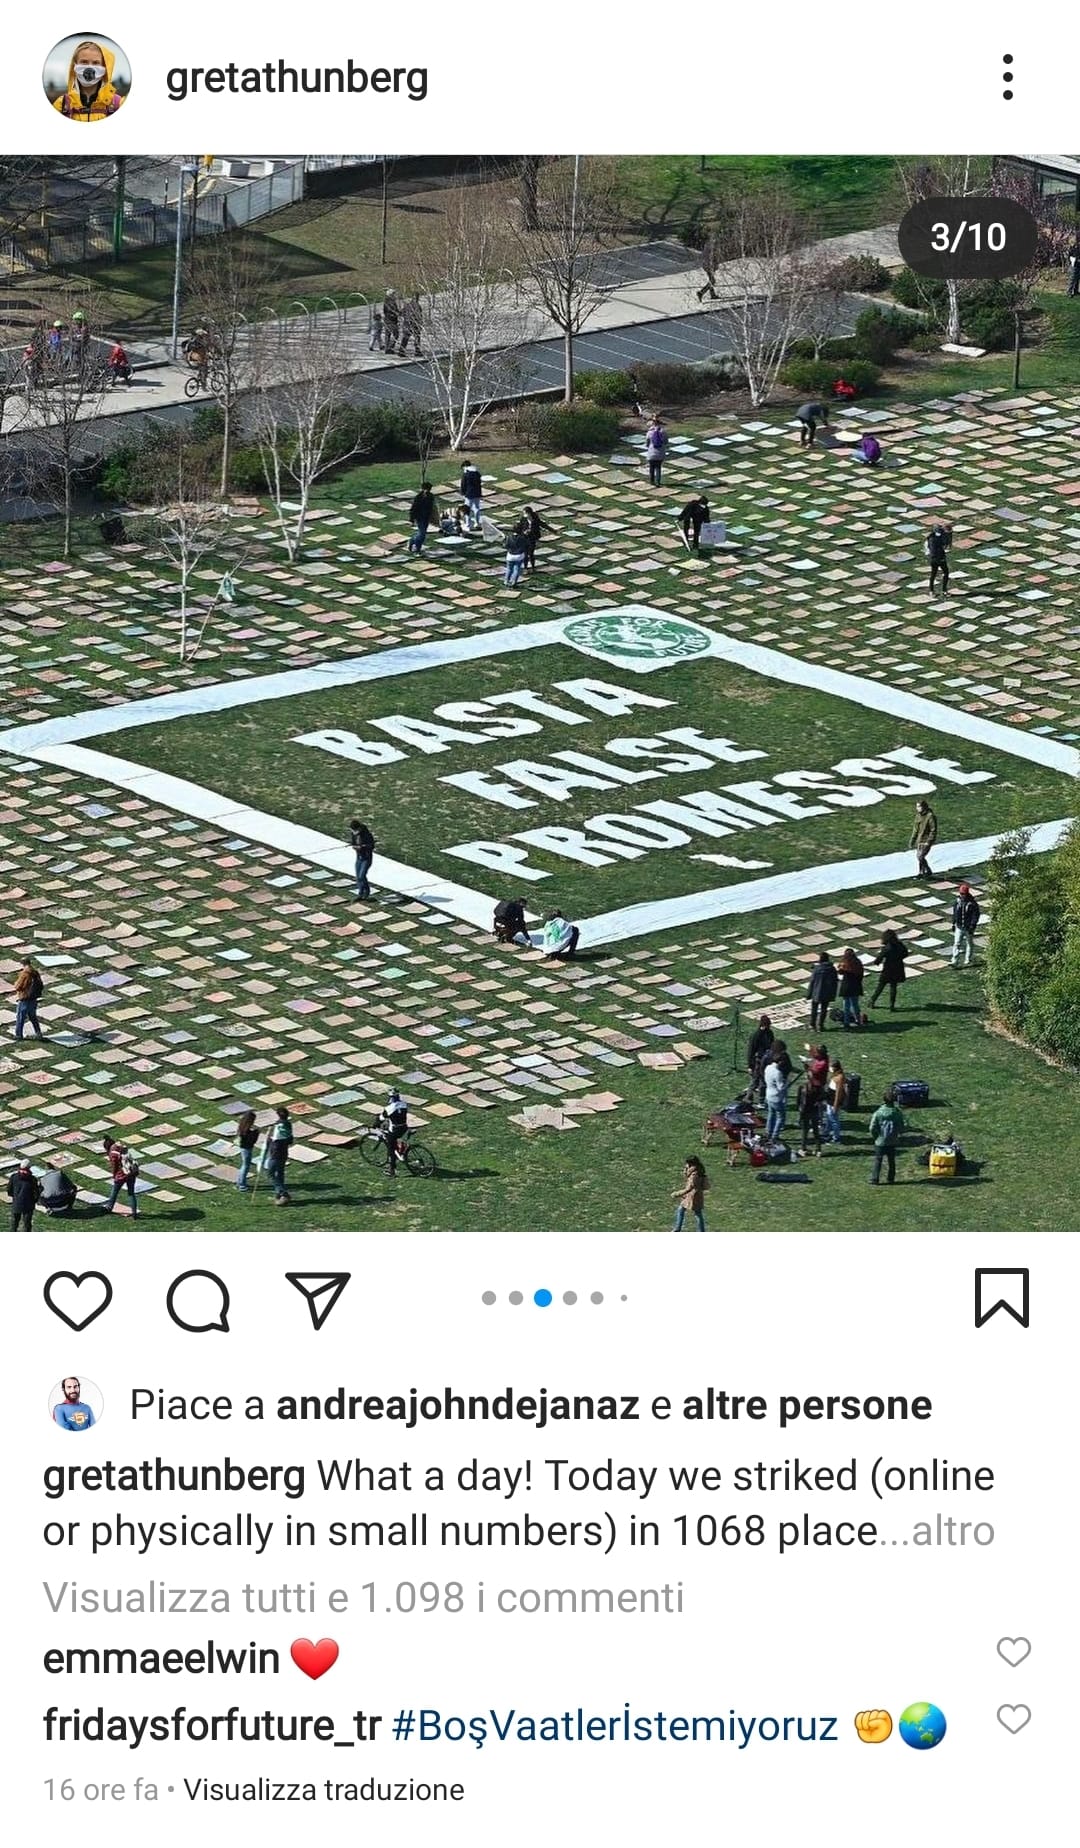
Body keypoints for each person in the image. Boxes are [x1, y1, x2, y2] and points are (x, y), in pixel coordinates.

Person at [52, 40, 126, 121]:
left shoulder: (119, 104)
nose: (89, 67)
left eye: (96, 63)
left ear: (105, 68)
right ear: (74, 66)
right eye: (84, 62)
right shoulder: (61, 105)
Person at [868, 1086, 906, 1185]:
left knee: (878, 1160)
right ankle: (891, 1178)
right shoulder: (897, 1113)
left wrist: (875, 1136)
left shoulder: (878, 1113)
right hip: (892, 1140)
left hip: (880, 1140)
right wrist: (898, 1134)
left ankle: (875, 1179)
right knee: (891, 1161)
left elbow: (872, 1127)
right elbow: (901, 1126)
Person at [870, 929, 909, 1011]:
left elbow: (878, 960)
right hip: (898, 967)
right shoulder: (899, 944)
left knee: (880, 986)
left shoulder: (887, 948)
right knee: (893, 987)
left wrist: (876, 962)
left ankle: (872, 1001)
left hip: (888, 969)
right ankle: (892, 1005)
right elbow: (906, 953)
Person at [102, 1135, 139, 1217]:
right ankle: (134, 1212)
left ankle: (109, 1207)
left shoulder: (112, 1153)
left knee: (115, 1191)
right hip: (131, 1172)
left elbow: (115, 1165)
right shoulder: (120, 1147)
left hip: (121, 1175)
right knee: (131, 1193)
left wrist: (114, 1175)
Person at [264, 1104, 294, 1204]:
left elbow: (273, 1140)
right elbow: (290, 1140)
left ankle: (284, 1193)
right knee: (280, 1173)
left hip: (275, 1152)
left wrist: (269, 1137)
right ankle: (278, 1194)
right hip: (284, 1152)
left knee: (271, 1173)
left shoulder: (278, 1126)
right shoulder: (288, 1125)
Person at [672, 1155, 709, 1233]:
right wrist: (686, 1170)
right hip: (695, 1195)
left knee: (697, 1214)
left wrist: (677, 1194)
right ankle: (678, 1228)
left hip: (693, 1196)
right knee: (682, 1210)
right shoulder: (699, 1170)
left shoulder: (694, 1175)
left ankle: (678, 1229)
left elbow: (689, 1188)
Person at [379, 1088, 410, 1175]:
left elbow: (381, 1118)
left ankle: (391, 1170)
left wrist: (376, 1124)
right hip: (404, 1127)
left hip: (395, 1130)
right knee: (399, 1139)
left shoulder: (389, 1108)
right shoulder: (404, 1104)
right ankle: (402, 1151)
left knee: (391, 1149)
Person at [951, 881, 981, 967]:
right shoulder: (957, 901)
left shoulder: (972, 903)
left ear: (967, 894)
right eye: (960, 893)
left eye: (963, 894)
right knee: (956, 943)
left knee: (969, 943)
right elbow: (955, 913)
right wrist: (953, 923)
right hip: (959, 926)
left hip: (968, 928)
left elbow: (976, 915)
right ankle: (954, 960)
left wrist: (972, 925)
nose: (961, 895)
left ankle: (968, 959)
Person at [807, 950, 839, 1031]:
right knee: (823, 1010)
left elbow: (812, 981)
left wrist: (809, 993)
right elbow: (835, 981)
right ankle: (821, 1025)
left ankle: (812, 1024)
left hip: (816, 992)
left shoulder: (817, 969)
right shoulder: (832, 969)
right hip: (827, 993)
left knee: (814, 1009)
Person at [8, 1159, 42, 1232]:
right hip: (28, 1205)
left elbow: (9, 1190)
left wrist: (15, 1197)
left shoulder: (14, 1177)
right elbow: (36, 1193)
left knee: (14, 1223)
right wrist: (34, 1201)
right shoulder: (32, 1179)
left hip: (16, 1203)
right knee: (27, 1224)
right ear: (29, 1168)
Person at [13, 959, 45, 1039]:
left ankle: (18, 1035)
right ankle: (38, 1033)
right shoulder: (35, 972)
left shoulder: (25, 974)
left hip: (25, 998)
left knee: (20, 1017)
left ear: (22, 964)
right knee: (33, 1017)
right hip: (33, 998)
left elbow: (18, 986)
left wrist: (15, 983)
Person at [746, 1013, 774, 1097]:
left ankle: (761, 1096)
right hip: (758, 1061)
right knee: (755, 1080)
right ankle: (748, 1097)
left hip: (767, 1059)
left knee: (763, 1080)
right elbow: (751, 1050)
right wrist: (750, 1066)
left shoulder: (769, 1033)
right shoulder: (756, 1035)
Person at [764, 1054, 789, 1143]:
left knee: (771, 1114)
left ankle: (768, 1132)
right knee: (780, 1117)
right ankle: (775, 1136)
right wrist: (786, 1082)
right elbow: (781, 1087)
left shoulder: (767, 1068)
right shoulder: (777, 1072)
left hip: (769, 1095)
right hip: (776, 1097)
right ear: (780, 1062)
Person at [910, 798, 938, 879]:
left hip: (926, 841)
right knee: (919, 857)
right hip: (920, 840)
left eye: (919, 806)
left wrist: (929, 841)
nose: (917, 808)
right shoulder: (918, 816)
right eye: (917, 806)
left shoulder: (930, 816)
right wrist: (912, 840)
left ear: (924, 807)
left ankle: (924, 872)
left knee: (920, 856)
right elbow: (915, 829)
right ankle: (925, 872)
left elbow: (933, 830)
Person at [837, 947, 865, 1029]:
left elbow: (840, 971)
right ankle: (858, 1020)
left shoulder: (845, 963)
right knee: (855, 1004)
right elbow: (860, 974)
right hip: (855, 986)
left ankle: (846, 1022)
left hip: (846, 986)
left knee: (846, 1005)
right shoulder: (857, 962)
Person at [349, 818, 375, 899]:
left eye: (355, 830)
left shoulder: (367, 835)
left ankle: (366, 892)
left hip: (366, 858)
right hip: (359, 857)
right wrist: (354, 846)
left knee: (361, 876)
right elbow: (353, 842)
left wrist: (362, 847)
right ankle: (360, 893)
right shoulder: (354, 834)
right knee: (358, 877)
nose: (353, 832)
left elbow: (371, 846)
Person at [407, 483, 436, 554]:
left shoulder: (431, 496)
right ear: (423, 489)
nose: (427, 491)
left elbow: (431, 508)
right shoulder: (418, 497)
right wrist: (411, 520)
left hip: (426, 518)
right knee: (422, 534)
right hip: (419, 517)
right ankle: (416, 548)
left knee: (423, 535)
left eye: (428, 490)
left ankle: (414, 543)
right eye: (426, 489)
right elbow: (413, 509)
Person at [236, 1109, 259, 1192]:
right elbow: (253, 1141)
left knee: (244, 1165)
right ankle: (241, 1185)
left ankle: (239, 1182)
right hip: (247, 1148)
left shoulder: (242, 1126)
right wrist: (256, 1132)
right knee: (246, 1166)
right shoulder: (248, 1131)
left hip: (243, 1147)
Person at [824, 1059, 847, 1143]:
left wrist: (835, 1105)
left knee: (834, 1120)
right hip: (830, 1101)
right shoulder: (835, 1075)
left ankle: (836, 1137)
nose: (830, 1068)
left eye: (831, 1067)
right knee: (829, 1118)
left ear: (835, 1067)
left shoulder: (839, 1078)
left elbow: (838, 1093)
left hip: (833, 1102)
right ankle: (826, 1133)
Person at [927, 522, 952, 596]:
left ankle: (942, 590)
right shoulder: (933, 539)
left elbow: (946, 543)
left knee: (944, 573)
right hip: (936, 558)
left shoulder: (935, 536)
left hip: (939, 557)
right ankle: (932, 591)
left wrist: (948, 533)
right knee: (934, 574)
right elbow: (934, 550)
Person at [523, 505, 551, 571]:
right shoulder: (524, 519)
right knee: (525, 554)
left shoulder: (535, 520)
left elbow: (543, 525)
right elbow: (520, 526)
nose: (524, 514)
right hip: (525, 538)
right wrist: (524, 532)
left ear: (529, 513)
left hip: (532, 538)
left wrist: (553, 530)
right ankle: (525, 568)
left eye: (525, 513)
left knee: (531, 553)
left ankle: (533, 567)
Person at [504, 519, 530, 588]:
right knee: (516, 570)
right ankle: (513, 582)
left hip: (510, 555)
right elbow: (527, 545)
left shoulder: (509, 537)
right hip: (519, 556)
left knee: (509, 569)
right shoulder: (522, 538)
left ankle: (506, 581)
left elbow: (506, 546)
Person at [644, 416, 668, 486]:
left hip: (651, 453)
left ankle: (652, 481)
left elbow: (647, 443)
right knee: (658, 468)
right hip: (660, 453)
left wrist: (649, 446)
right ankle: (658, 481)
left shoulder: (649, 432)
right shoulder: (663, 432)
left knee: (651, 468)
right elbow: (666, 442)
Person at [459, 461, 483, 530]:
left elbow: (463, 484)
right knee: (477, 508)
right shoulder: (477, 473)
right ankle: (477, 523)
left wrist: (463, 493)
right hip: (477, 493)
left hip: (469, 494)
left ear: (465, 466)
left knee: (467, 509)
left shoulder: (466, 474)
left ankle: (468, 525)